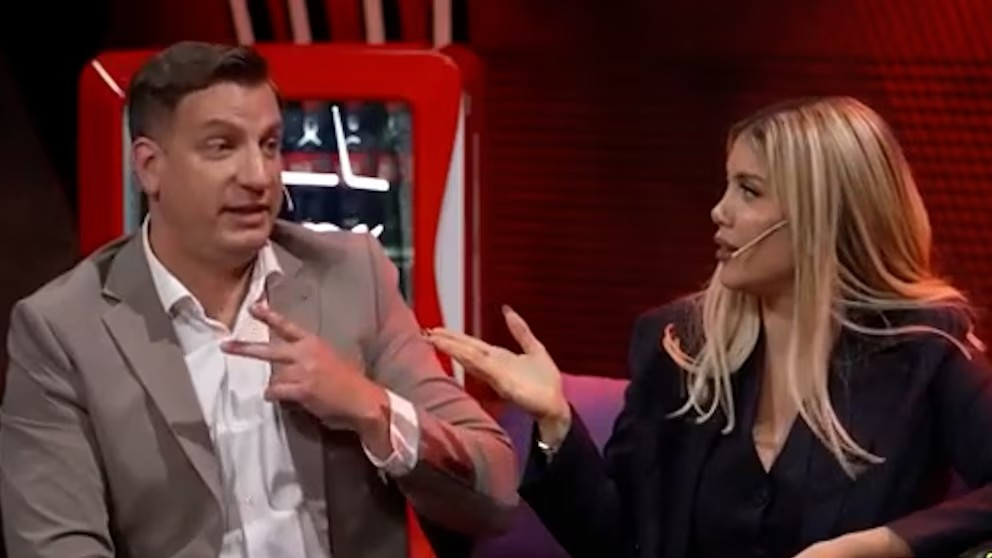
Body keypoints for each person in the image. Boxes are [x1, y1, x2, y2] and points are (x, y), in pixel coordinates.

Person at [0, 41, 517, 558]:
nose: (259, 176)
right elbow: (56, 546)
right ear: (150, 167)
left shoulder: (352, 277)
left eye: (269, 145)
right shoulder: (64, 330)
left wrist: (370, 407)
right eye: (222, 147)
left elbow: (496, 488)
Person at [427, 96, 992, 558]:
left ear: (822, 214)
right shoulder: (678, 346)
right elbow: (619, 543)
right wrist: (554, 421)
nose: (719, 211)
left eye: (749, 191)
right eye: (728, 186)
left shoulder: (926, 348)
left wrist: (885, 545)